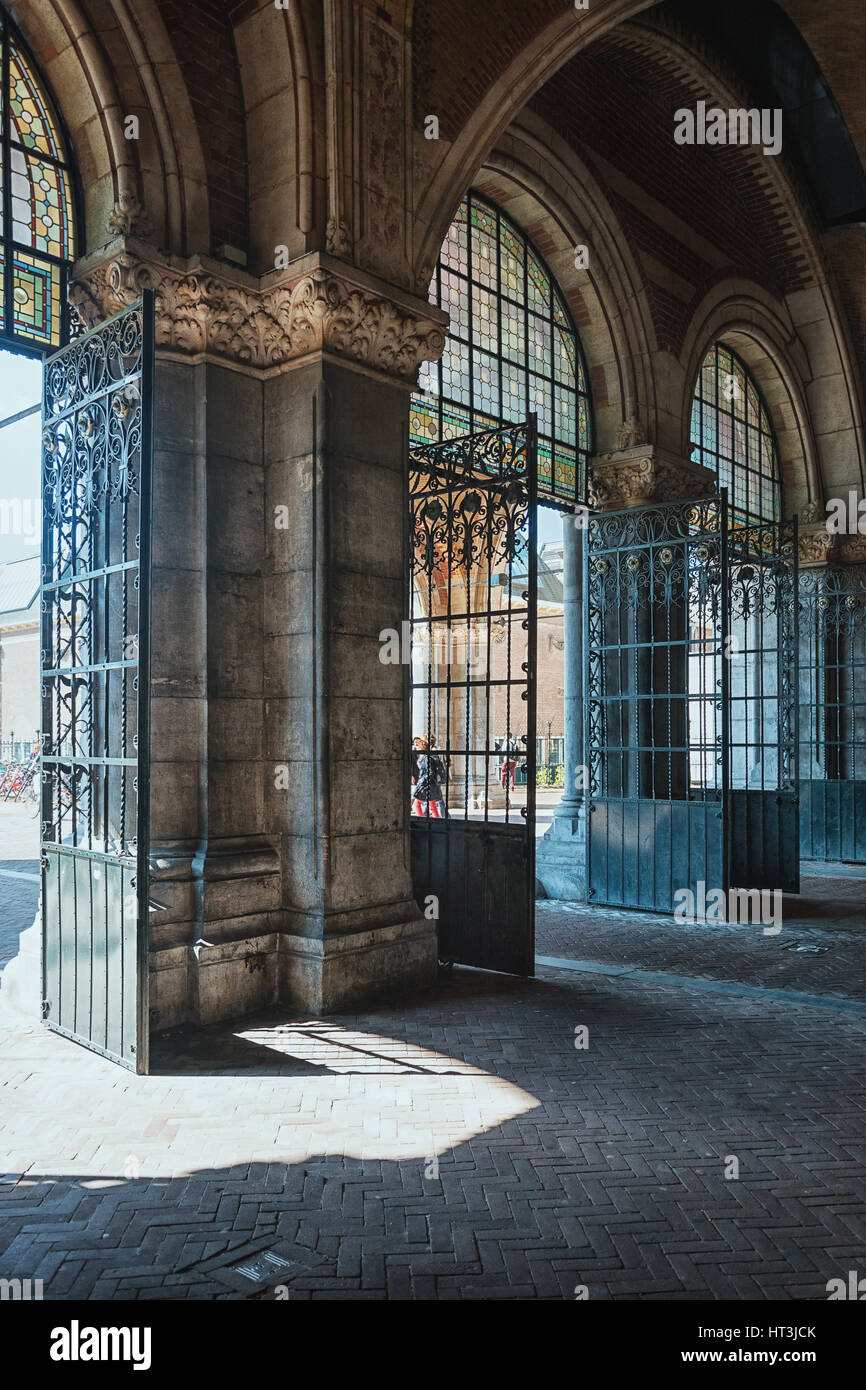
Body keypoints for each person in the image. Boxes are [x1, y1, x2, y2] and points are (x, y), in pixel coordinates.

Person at [411, 734, 448, 818]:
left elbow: (429, 773)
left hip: (426, 785)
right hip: (432, 785)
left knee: (416, 805)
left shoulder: (426, 758)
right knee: (433, 806)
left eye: (418, 744)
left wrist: (421, 782)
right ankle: (437, 821)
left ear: (422, 746)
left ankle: (421, 820)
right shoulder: (427, 756)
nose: (416, 746)